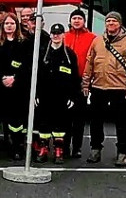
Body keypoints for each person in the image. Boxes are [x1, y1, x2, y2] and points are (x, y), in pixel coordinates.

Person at [82, 11, 126, 167]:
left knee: (121, 123)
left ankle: (122, 153)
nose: (110, 24)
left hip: (119, 88)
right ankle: (95, 149)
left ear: (120, 24)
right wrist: (85, 84)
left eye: (114, 21)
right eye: (108, 21)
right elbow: (89, 64)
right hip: (98, 87)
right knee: (96, 122)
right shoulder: (97, 41)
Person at [0, 12, 30, 160]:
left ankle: (16, 148)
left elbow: (28, 65)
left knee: (15, 122)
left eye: (12, 23)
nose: (9, 26)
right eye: (7, 23)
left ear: (17, 25)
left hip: (16, 88)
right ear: (2, 25)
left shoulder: (25, 43)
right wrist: (1, 78)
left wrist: (15, 78)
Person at [33, 23, 78, 164]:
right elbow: (36, 75)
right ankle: (43, 149)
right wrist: (36, 95)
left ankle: (59, 151)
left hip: (62, 96)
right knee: (44, 124)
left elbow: (74, 77)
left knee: (60, 125)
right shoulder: (42, 53)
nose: (56, 36)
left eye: (59, 33)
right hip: (45, 95)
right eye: (54, 33)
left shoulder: (69, 55)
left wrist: (72, 96)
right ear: (50, 35)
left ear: (64, 35)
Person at [64, 8, 95, 159]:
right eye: (74, 18)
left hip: (82, 82)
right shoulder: (63, 37)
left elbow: (94, 61)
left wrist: (87, 83)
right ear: (70, 21)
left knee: (79, 118)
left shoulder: (92, 38)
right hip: (65, 83)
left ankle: (76, 147)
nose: (76, 21)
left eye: (79, 18)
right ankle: (63, 146)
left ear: (84, 21)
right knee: (64, 117)